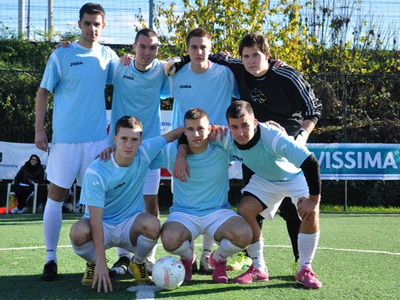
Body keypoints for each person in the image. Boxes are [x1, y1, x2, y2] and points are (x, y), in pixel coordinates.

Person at [169, 33, 322, 272]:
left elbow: (314, 109)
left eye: (256, 55)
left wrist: (299, 137)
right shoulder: (237, 69)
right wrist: (178, 61)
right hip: (250, 144)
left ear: (268, 56)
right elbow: (206, 55)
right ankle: (252, 261)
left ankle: (299, 263)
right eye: (246, 56)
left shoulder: (287, 75)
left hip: (283, 145)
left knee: (293, 211)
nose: (250, 61)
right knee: (250, 207)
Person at [35, 3, 118, 281]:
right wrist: (39, 130)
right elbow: (43, 92)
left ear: (103, 26)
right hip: (65, 141)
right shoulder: (61, 54)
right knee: (56, 195)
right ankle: (50, 258)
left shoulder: (108, 56)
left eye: (97, 24)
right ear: (79, 24)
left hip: (97, 142)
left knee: (94, 201)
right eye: (87, 23)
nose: (92, 28)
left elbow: (130, 75)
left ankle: (95, 260)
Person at [210, 100, 322, 288]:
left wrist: (314, 200)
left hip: (294, 177)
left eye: (245, 125)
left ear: (254, 123)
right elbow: (190, 131)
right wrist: (181, 153)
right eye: (235, 127)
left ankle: (304, 269)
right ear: (229, 126)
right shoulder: (226, 137)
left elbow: (311, 162)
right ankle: (259, 269)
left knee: (311, 212)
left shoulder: (273, 137)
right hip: (265, 179)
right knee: (245, 209)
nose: (240, 132)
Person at [69, 116, 183, 292]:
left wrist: (209, 129)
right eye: (124, 138)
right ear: (114, 139)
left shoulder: (145, 151)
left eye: (134, 139)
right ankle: (93, 264)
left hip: (129, 225)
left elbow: (174, 134)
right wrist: (100, 261)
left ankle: (136, 263)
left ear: (141, 141)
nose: (129, 144)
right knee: (77, 232)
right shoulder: (96, 171)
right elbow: (95, 221)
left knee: (153, 224)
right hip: (103, 226)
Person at [149, 108, 252, 283]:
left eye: (201, 128)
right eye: (190, 129)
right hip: (184, 213)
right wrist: (115, 150)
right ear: (184, 131)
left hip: (218, 213)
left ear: (210, 129)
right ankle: (188, 259)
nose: (196, 134)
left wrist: (272, 129)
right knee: (169, 240)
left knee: (244, 235)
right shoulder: (171, 151)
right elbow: (142, 155)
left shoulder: (222, 149)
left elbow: (249, 139)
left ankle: (218, 259)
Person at [168, 27, 239, 274]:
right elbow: (147, 75)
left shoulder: (226, 74)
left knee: (214, 201)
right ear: (187, 50)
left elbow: (250, 82)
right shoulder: (176, 75)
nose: (199, 52)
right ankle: (188, 255)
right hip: (186, 147)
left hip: (218, 149)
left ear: (211, 48)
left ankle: (208, 257)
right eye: (194, 47)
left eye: (203, 47)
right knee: (188, 200)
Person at [107, 28, 170, 274]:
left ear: (157, 50)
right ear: (133, 47)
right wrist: (66, 47)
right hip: (121, 147)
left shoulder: (162, 70)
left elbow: (192, 64)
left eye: (152, 47)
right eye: (142, 47)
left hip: (149, 148)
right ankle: (123, 257)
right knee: (120, 200)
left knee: (150, 200)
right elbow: (92, 67)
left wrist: (220, 56)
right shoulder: (118, 67)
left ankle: (147, 257)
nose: (147, 52)